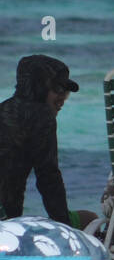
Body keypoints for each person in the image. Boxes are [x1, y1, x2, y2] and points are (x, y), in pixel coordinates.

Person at [0, 55, 80, 226]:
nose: (63, 99)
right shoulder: (41, 117)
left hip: (6, 215)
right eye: (58, 90)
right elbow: (48, 177)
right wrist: (65, 227)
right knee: (89, 219)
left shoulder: (5, 109)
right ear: (39, 87)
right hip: (4, 220)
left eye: (65, 93)